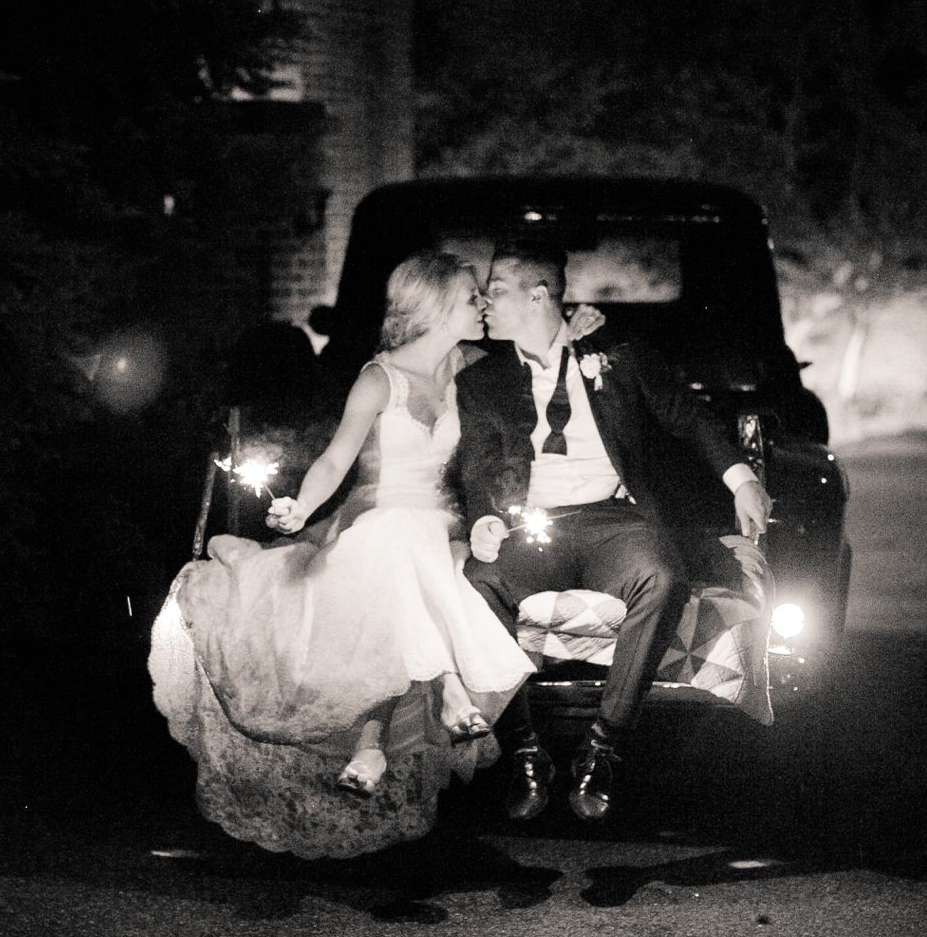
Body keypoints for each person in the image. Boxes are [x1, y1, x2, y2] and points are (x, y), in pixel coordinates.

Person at [149, 250, 602, 859]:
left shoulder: (474, 367)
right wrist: (302, 509)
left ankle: (372, 742)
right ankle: (445, 689)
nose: (485, 306)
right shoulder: (379, 377)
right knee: (399, 540)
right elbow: (336, 458)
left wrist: (583, 325)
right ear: (439, 304)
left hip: (442, 528)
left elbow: (545, 353)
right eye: (474, 297)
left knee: (411, 570)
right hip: (375, 521)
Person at [455, 234, 773, 824]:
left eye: (496, 292)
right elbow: (479, 465)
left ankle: (603, 744)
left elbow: (685, 415)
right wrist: (485, 522)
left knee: (662, 574)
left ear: (539, 295)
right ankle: (526, 751)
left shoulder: (616, 354)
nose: (485, 304)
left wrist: (741, 480)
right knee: (478, 582)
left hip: (614, 519)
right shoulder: (481, 382)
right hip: (532, 526)